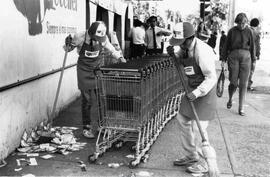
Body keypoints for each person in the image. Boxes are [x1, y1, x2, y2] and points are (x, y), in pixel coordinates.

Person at [167, 22, 217, 174]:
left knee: (199, 128)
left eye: (181, 42)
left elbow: (211, 77)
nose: (180, 46)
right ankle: (191, 155)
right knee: (182, 119)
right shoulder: (185, 48)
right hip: (192, 89)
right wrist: (173, 54)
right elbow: (180, 58)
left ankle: (206, 163)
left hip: (204, 92)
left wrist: (197, 93)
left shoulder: (202, 52)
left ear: (190, 38)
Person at [64, 21, 126, 138]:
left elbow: (111, 49)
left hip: (97, 70)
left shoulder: (103, 37)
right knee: (87, 101)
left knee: (101, 98)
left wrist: (120, 58)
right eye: (96, 37)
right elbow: (68, 49)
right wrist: (68, 44)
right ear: (91, 32)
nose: (99, 39)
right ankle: (86, 127)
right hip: (83, 71)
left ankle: (102, 125)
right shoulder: (80, 36)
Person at [221, 13, 255, 116]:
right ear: (237, 22)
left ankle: (241, 108)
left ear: (246, 22)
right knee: (233, 82)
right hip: (233, 56)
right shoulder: (232, 31)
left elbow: (253, 46)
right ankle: (230, 98)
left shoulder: (249, 31)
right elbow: (226, 45)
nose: (242, 25)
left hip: (246, 57)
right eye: (240, 23)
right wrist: (223, 59)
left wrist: (253, 60)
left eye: (244, 23)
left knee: (243, 84)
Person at [248, 18, 261, 91]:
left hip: (245, 52)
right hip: (252, 54)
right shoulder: (256, 33)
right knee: (251, 70)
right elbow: (257, 45)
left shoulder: (246, 30)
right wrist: (258, 54)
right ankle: (248, 85)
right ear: (257, 25)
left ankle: (241, 83)